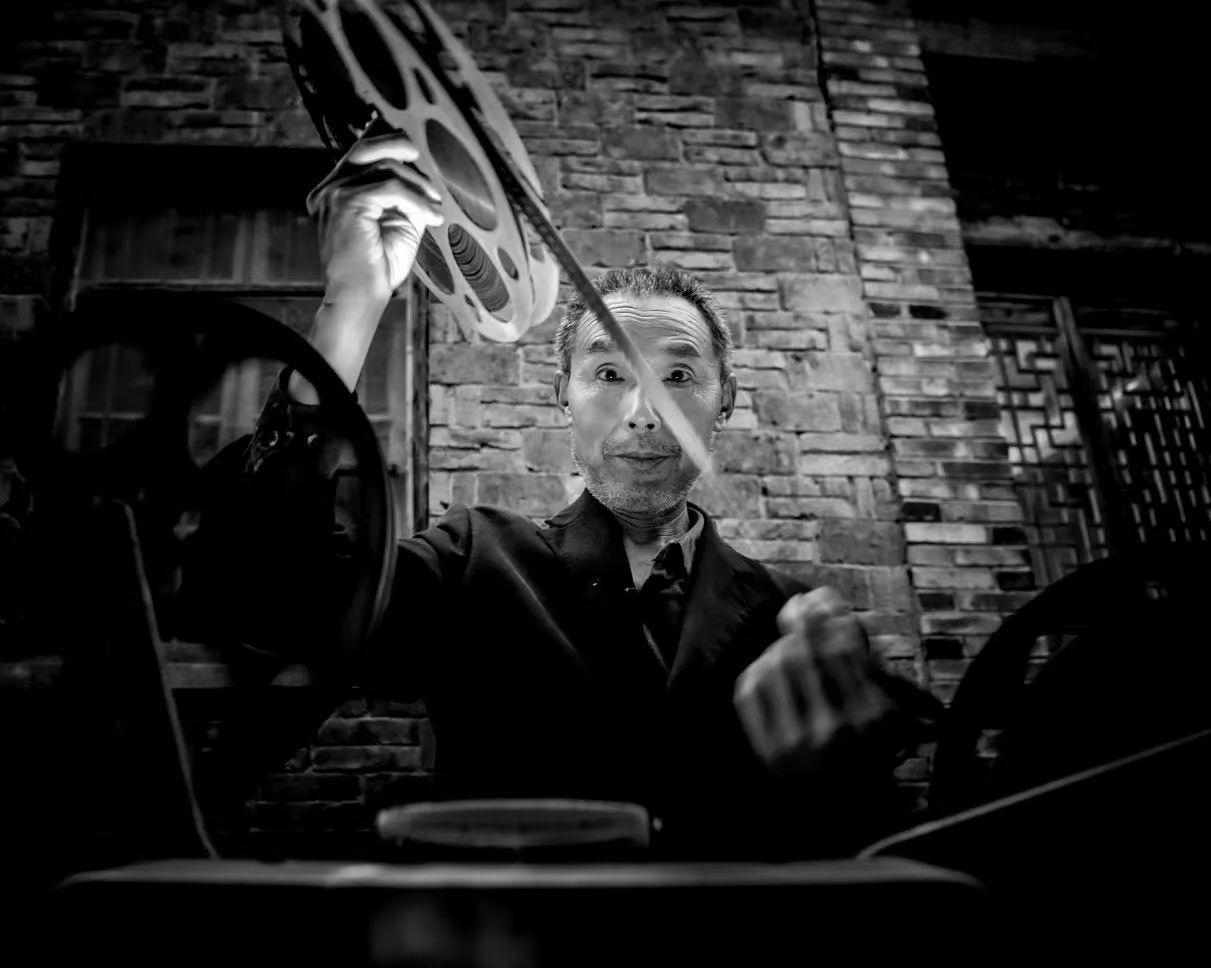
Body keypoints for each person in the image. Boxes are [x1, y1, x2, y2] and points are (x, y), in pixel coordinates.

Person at [204, 132, 930, 860]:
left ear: (726, 401)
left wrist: (831, 782)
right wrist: (352, 301)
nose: (643, 412)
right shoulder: (474, 560)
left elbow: (879, 856)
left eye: (678, 377)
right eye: (609, 375)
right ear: (564, 396)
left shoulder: (789, 619)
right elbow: (271, 596)